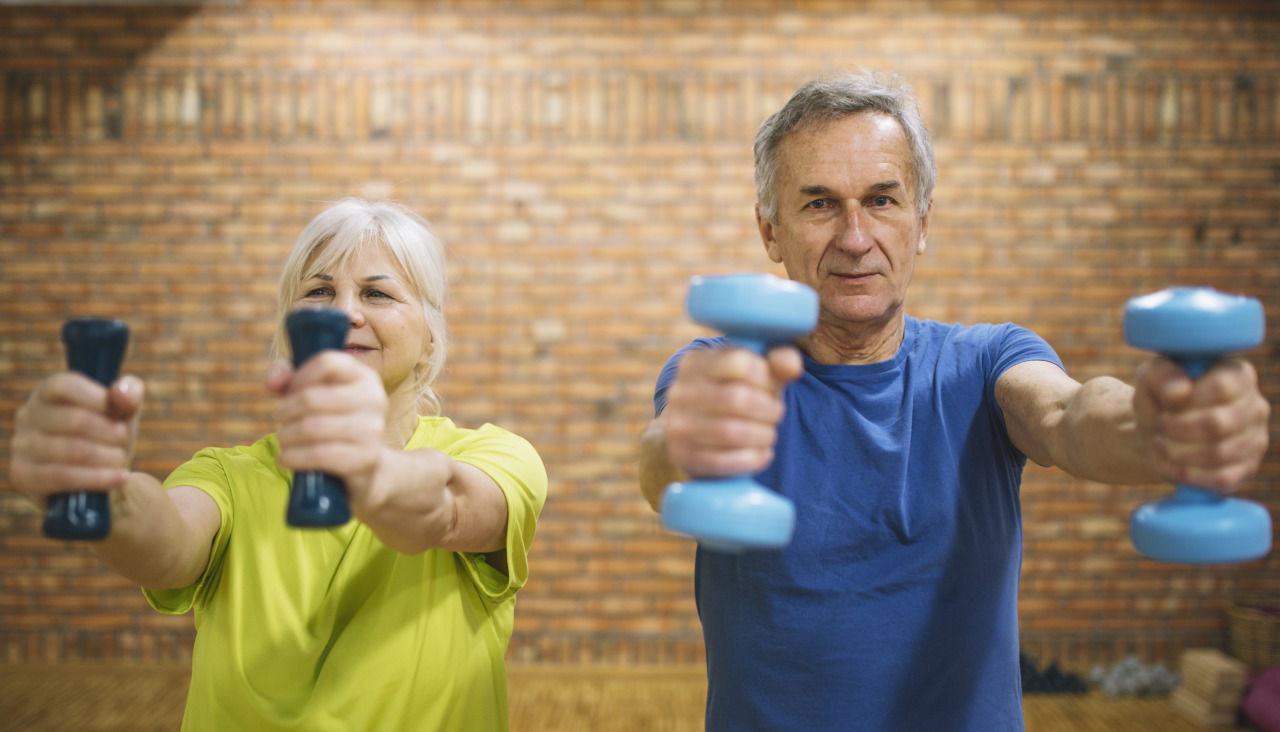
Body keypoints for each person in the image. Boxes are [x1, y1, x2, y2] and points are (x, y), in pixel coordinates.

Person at [637, 70, 1271, 731]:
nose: (855, 237)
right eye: (820, 204)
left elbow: (1067, 415)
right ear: (770, 231)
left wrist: (1160, 425)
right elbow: (663, 462)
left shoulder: (986, 361)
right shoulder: (723, 375)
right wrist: (683, 443)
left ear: (922, 222)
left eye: (882, 200)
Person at [9, 198, 548, 731]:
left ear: (430, 341)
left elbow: (448, 508)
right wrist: (104, 488)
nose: (342, 313)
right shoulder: (228, 475)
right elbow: (167, 542)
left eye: (377, 293)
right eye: (318, 291)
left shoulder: (499, 457)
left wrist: (365, 471)